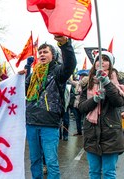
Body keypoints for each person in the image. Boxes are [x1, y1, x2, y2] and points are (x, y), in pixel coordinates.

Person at [24, 35, 76, 178]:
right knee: (35, 160)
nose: (42, 54)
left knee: (51, 162)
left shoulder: (58, 71)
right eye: (40, 52)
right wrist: (23, 73)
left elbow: (70, 64)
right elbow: (22, 90)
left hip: (49, 123)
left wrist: (65, 44)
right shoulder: (33, 75)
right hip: (31, 122)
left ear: (53, 56)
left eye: (45, 52)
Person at [78, 51, 124, 179]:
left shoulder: (118, 81)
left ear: (111, 63)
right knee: (94, 172)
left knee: (109, 173)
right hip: (91, 134)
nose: (101, 62)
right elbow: (81, 107)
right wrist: (95, 99)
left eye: (105, 59)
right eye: (99, 59)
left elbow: (118, 101)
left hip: (111, 135)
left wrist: (107, 82)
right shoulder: (88, 83)